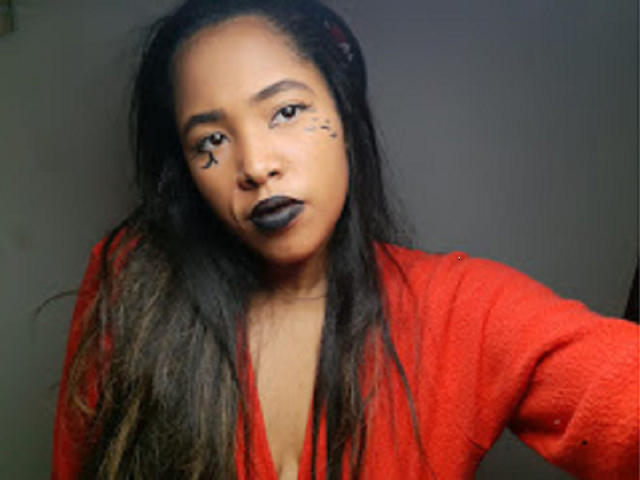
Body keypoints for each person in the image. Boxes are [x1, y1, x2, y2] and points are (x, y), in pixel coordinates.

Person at [51, 0, 639, 479]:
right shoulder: (135, 283)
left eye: (286, 111)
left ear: (344, 117)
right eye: (211, 141)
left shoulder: (458, 310)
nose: (255, 165)